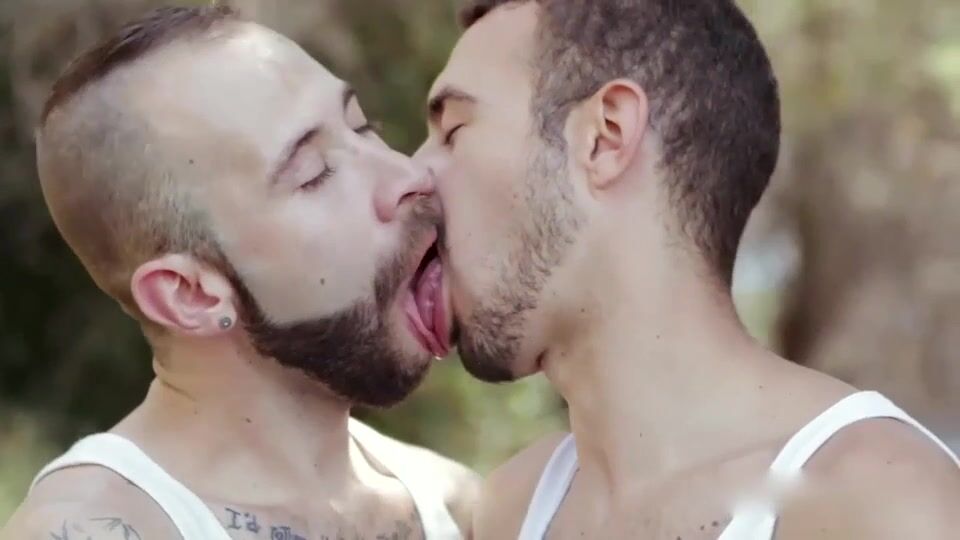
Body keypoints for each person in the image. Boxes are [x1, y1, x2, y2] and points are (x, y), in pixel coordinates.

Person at [414, 1, 960, 538]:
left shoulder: (882, 504)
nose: (414, 176)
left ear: (605, 137)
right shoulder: (510, 509)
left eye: (454, 130)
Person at [2, 6, 476, 540]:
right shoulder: (92, 529)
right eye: (315, 174)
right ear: (190, 294)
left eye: (363, 127)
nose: (408, 174)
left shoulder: (460, 507)